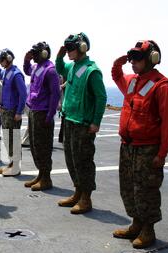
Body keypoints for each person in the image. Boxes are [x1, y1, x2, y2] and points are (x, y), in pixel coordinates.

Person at [112, 40, 168, 249]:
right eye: (133, 58)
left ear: (152, 59)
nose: (133, 62)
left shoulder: (161, 86)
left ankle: (148, 230)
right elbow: (117, 77)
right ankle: (136, 223)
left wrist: (162, 153)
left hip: (148, 148)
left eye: (138, 58)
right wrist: (118, 63)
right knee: (128, 187)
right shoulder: (133, 81)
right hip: (128, 146)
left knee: (146, 190)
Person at [56, 33, 107, 214]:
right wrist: (59, 55)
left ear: (83, 48)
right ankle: (77, 192)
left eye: (71, 48)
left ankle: (86, 198)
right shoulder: (73, 67)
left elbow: (101, 97)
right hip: (69, 119)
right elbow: (60, 68)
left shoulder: (92, 71)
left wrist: (96, 122)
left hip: (83, 123)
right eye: (68, 48)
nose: (69, 51)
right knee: (71, 159)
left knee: (83, 161)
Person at [22, 42, 61, 189]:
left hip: (43, 112)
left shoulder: (50, 70)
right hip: (34, 110)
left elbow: (55, 94)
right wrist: (26, 60)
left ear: (44, 54)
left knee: (43, 147)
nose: (34, 56)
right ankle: (41, 174)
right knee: (35, 145)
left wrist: (50, 115)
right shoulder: (37, 67)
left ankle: (46, 178)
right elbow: (27, 71)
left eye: (36, 53)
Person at [0, 48, 27, 176]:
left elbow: (23, 94)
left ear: (8, 59)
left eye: (2, 60)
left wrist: (19, 112)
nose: (1, 63)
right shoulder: (7, 72)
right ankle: (12, 164)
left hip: (13, 112)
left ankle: (16, 167)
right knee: (8, 139)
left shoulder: (16, 74)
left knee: (14, 139)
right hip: (6, 111)